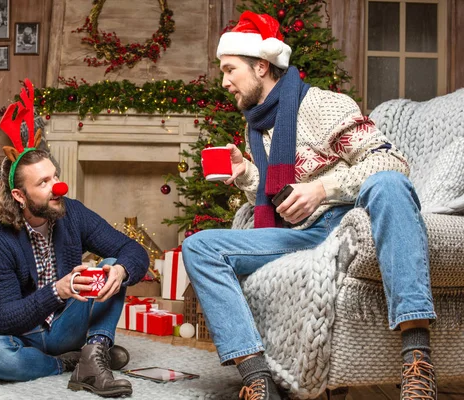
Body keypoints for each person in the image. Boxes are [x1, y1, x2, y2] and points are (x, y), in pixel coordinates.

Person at [182, 11, 437, 400]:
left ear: (261, 66)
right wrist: (248, 175)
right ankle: (257, 378)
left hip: (344, 222)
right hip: (300, 234)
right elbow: (276, 200)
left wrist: (322, 190)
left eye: (230, 69)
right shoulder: (259, 126)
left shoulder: (322, 105)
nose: (225, 81)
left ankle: (417, 358)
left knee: (388, 183)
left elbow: (391, 160)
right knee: (200, 246)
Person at [0, 80, 149, 398]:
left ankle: (94, 353)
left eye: (55, 175)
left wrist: (121, 271)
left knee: (112, 264)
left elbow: (133, 250)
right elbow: (2, 319)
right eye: (44, 182)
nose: (59, 186)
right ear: (19, 195)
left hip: (67, 325)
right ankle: (68, 364)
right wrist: (58, 290)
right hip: (20, 335)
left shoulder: (72, 212)